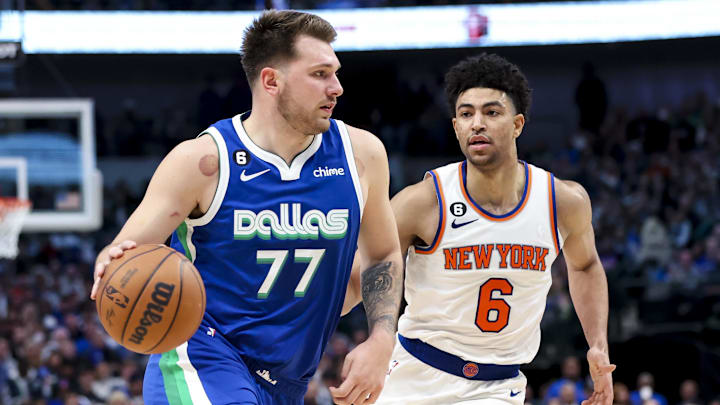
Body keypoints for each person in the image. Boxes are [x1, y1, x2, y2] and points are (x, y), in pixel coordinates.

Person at [90, 10, 403, 405]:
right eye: (320, 74)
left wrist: (381, 338)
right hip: (200, 355)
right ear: (271, 80)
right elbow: (126, 253)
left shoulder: (362, 156)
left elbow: (382, 255)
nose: (337, 87)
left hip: (286, 379)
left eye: (336, 73)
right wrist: (110, 260)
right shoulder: (204, 161)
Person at [366, 53, 615, 404]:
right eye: (466, 114)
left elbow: (585, 265)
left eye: (491, 112)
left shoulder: (563, 202)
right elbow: (369, 267)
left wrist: (598, 345)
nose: (476, 123)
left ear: (517, 124)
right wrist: (372, 337)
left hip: (498, 385)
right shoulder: (422, 202)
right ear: (455, 127)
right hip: (414, 373)